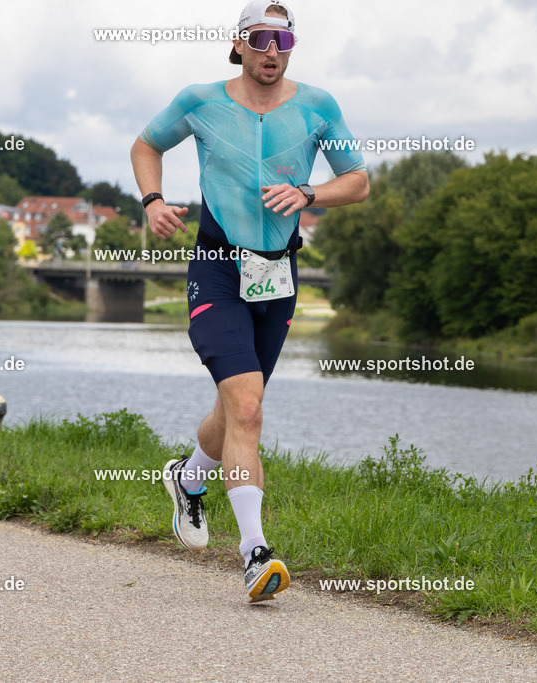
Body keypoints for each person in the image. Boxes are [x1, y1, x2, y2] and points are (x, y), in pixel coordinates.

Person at [130, 0, 369, 602]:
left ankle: (188, 479)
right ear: (238, 43)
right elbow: (145, 144)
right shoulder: (200, 100)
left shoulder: (318, 106)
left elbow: (359, 181)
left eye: (283, 41)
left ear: (293, 48)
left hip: (278, 273)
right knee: (249, 406)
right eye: (260, 39)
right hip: (215, 267)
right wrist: (152, 201)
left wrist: (310, 192)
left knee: (237, 410)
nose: (271, 51)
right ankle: (254, 554)